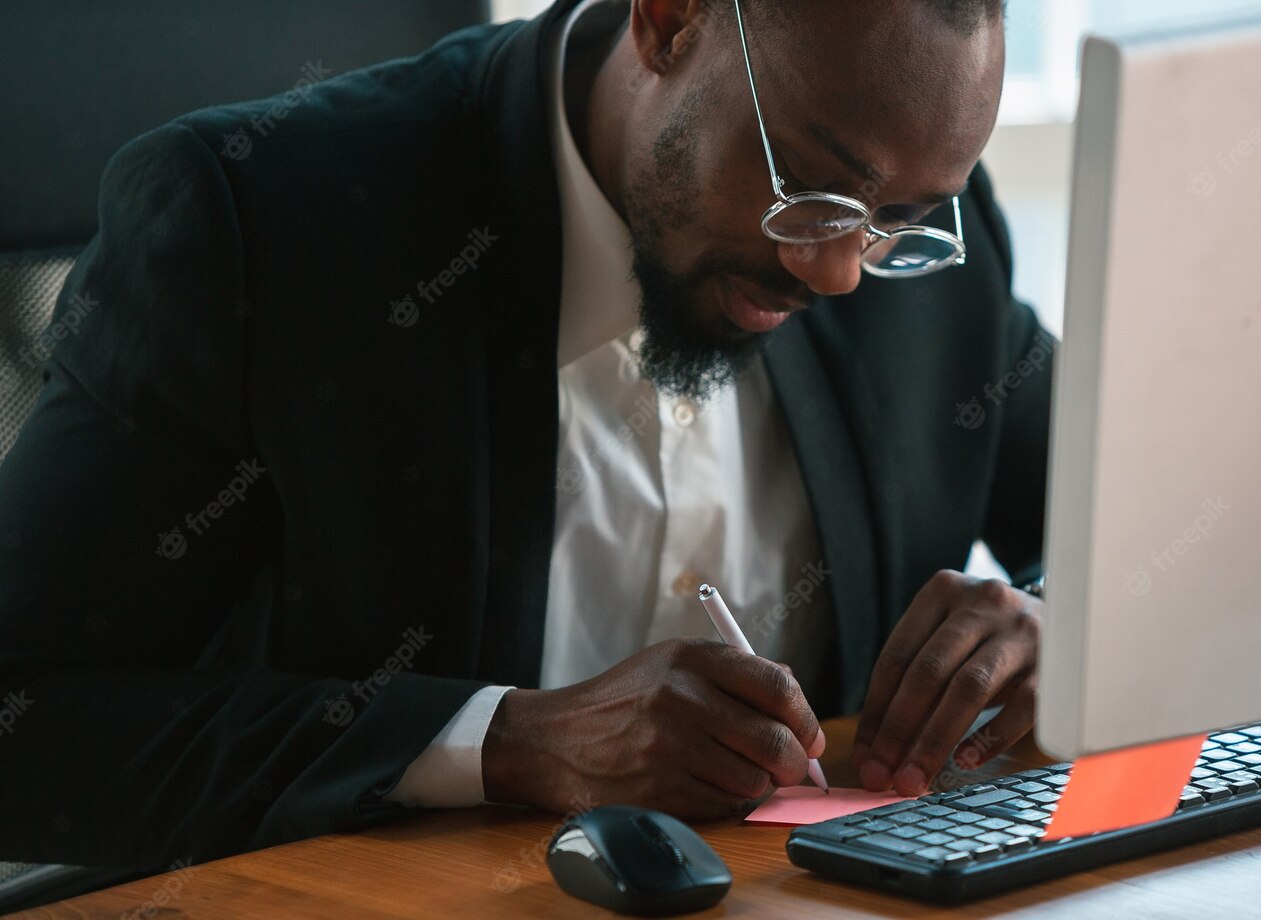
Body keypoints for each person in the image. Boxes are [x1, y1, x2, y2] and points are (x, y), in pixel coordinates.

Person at [0, 0, 1051, 871]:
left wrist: (1056, 627)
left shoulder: (915, 237)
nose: (840, 271)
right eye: (809, 190)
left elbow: (1143, 516)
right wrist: (504, 740)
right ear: (669, 21)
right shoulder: (261, 230)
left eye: (896, 219)